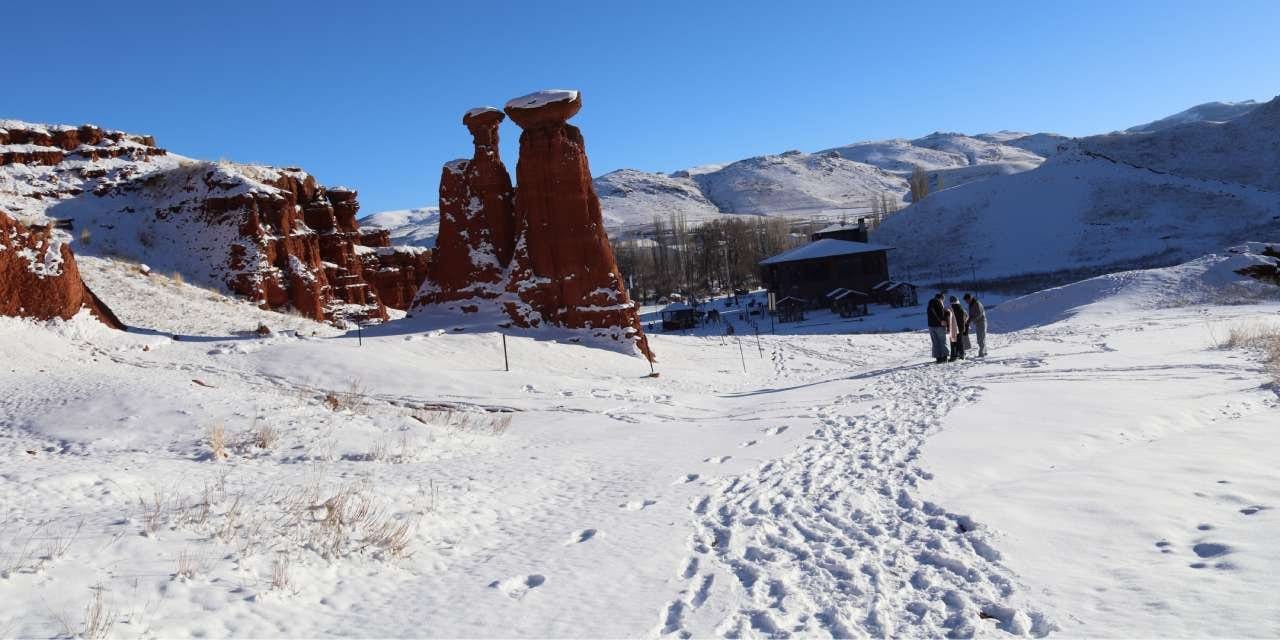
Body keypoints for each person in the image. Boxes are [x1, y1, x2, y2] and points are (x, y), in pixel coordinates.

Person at [926, 292, 950, 363]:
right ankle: (944, 357)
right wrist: (944, 319)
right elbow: (940, 313)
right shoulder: (938, 303)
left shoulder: (930, 303)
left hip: (930, 325)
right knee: (942, 341)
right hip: (939, 325)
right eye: (943, 299)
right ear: (941, 298)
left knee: (935, 342)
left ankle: (938, 358)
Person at [964, 293, 987, 357]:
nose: (966, 302)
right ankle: (984, 352)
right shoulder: (971, 305)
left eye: (967, 300)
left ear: (970, 299)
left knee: (981, 338)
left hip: (981, 322)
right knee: (980, 337)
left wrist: (972, 320)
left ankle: (981, 353)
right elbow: (971, 314)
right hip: (977, 322)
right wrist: (968, 320)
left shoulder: (977, 303)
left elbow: (979, 314)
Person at [948, 295, 967, 361]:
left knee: (953, 342)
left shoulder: (952, 309)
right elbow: (966, 317)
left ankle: (954, 356)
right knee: (960, 341)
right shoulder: (961, 308)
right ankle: (961, 354)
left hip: (954, 327)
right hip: (960, 327)